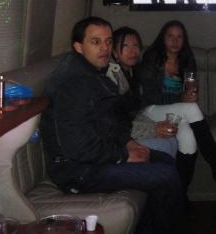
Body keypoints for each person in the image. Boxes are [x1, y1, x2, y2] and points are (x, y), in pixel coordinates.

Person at [39, 17, 184, 234]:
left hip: (97, 157)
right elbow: (78, 147)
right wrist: (122, 155)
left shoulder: (94, 74)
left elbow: (111, 121)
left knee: (165, 160)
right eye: (95, 42)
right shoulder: (74, 83)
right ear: (78, 46)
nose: (105, 48)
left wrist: (129, 142)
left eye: (108, 42)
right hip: (77, 171)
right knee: (165, 176)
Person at [138, 20, 216, 199]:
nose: (175, 41)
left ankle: (180, 194)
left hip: (176, 111)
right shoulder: (152, 59)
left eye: (179, 37)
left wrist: (191, 93)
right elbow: (150, 96)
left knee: (189, 139)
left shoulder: (187, 60)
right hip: (151, 110)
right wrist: (181, 99)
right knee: (191, 108)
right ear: (163, 38)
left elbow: (190, 87)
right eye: (170, 36)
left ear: (184, 40)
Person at [106, 26, 177, 158]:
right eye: (125, 45)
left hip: (129, 128)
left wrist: (156, 126)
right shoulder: (112, 76)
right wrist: (153, 129)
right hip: (115, 139)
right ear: (114, 52)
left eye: (136, 45)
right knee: (165, 145)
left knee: (171, 139)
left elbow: (135, 112)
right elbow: (114, 123)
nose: (133, 51)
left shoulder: (133, 72)